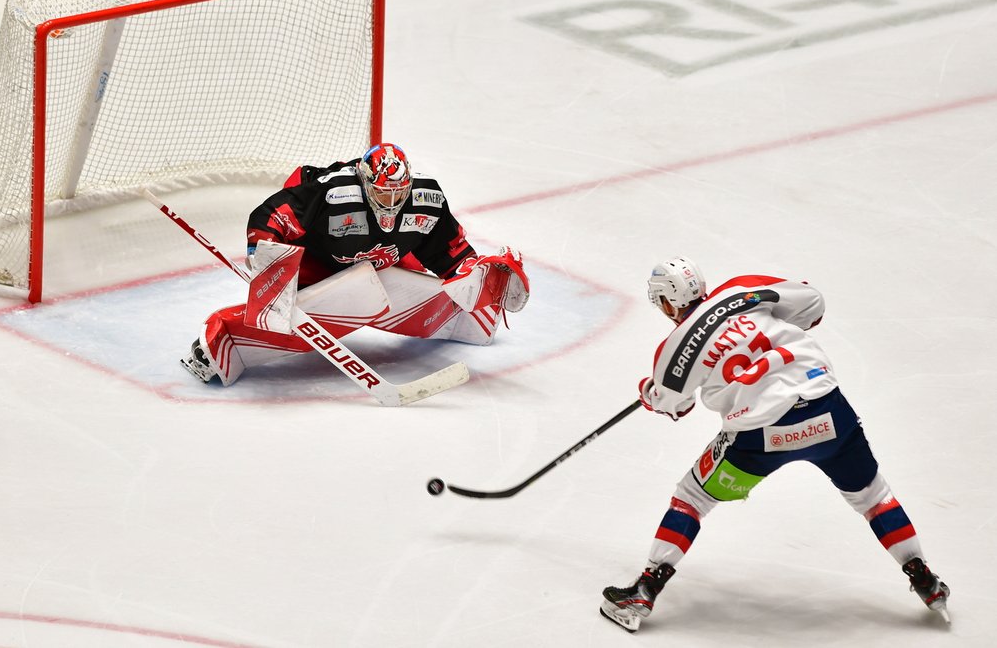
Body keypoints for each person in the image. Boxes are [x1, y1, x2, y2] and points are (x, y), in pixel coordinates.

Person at [599, 256, 950, 633]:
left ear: (668, 302)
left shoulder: (672, 349)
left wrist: (650, 395)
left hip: (761, 435)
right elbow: (812, 304)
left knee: (692, 499)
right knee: (873, 496)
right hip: (828, 408)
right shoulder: (741, 288)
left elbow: (674, 405)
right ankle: (924, 579)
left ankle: (645, 591)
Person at [180, 143, 529, 385]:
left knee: (386, 284)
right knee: (361, 292)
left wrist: (473, 276)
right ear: (364, 184)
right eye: (382, 193)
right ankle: (227, 340)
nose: (390, 201)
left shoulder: (426, 199)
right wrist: (268, 258)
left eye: (398, 193)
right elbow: (271, 216)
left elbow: (448, 250)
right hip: (319, 262)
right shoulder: (333, 193)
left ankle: (469, 322)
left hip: (381, 255)